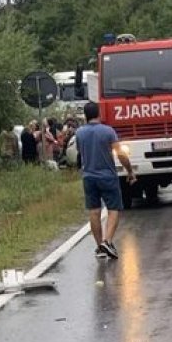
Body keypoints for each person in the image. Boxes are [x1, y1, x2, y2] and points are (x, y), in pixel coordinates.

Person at [75, 101, 136, 259]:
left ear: (85, 116)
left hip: (88, 176)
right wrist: (130, 171)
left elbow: (79, 153)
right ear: (99, 114)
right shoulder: (108, 131)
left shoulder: (79, 133)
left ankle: (99, 247)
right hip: (107, 176)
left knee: (94, 212)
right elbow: (121, 153)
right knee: (113, 209)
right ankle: (107, 241)